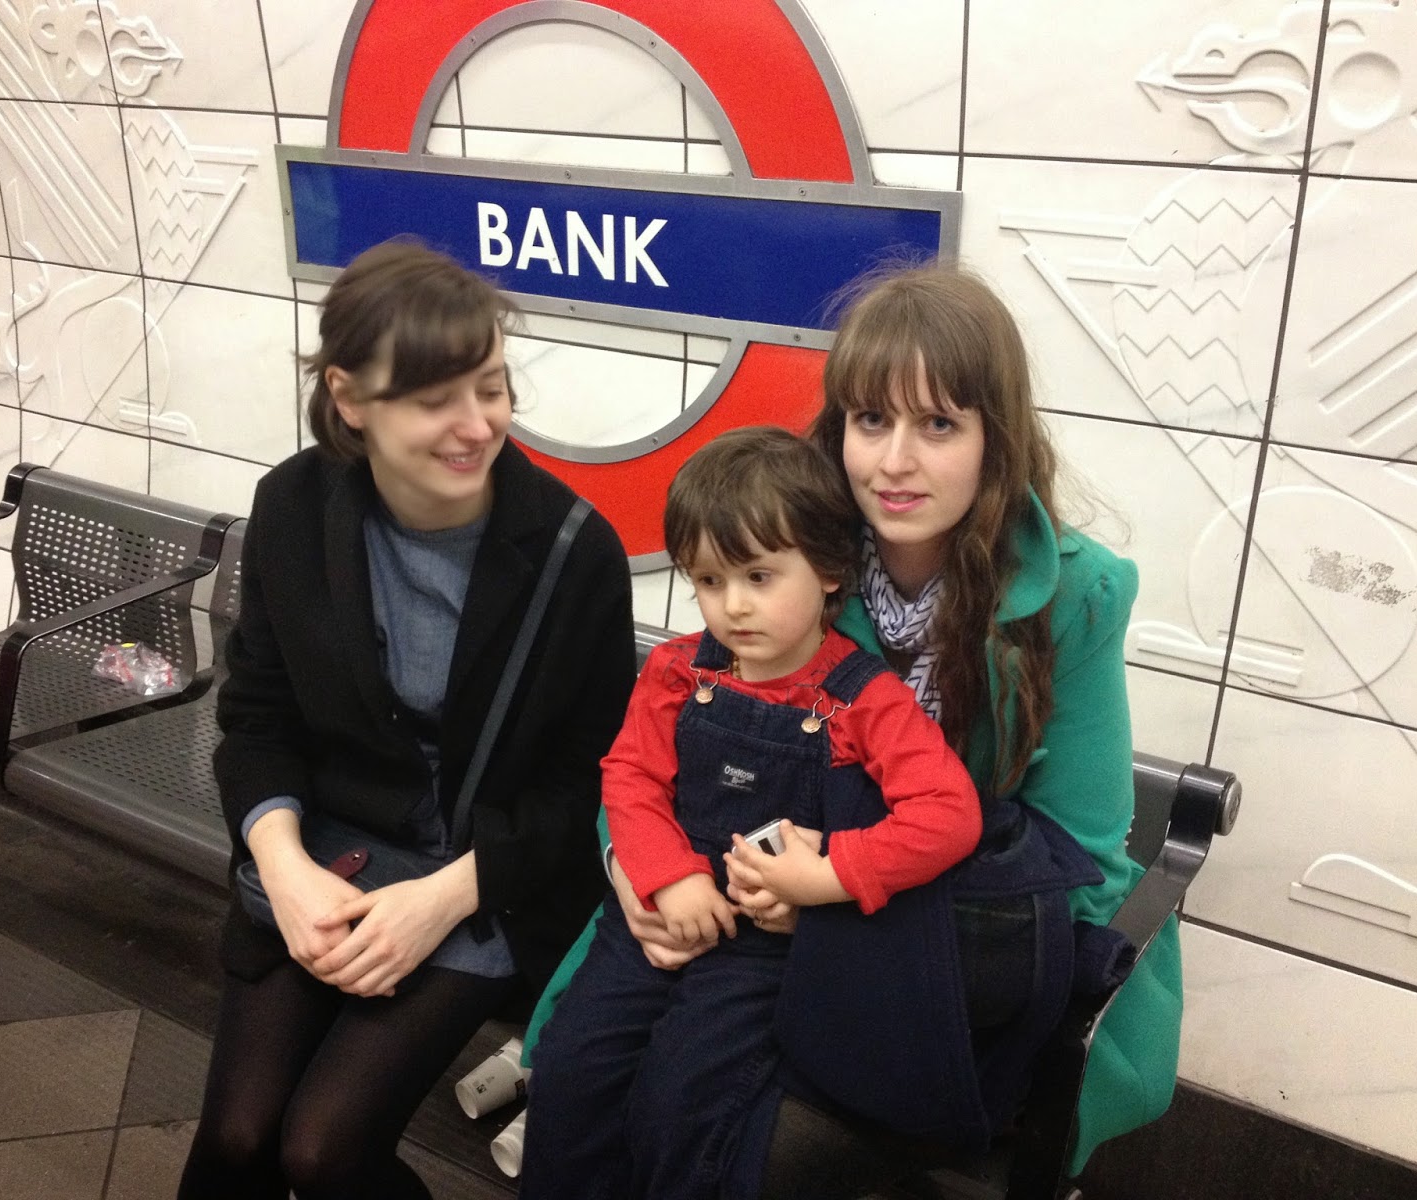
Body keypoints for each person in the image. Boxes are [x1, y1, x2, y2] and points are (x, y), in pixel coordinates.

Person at [523, 262, 1172, 1198]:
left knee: (716, 1136)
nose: (894, 462)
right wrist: (637, 871)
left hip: (916, 958)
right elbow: (666, 748)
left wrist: (833, 907)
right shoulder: (787, 542)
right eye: (872, 420)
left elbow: (1080, 856)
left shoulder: (1076, 593)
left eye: (938, 425)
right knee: (588, 1088)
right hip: (722, 922)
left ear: (996, 437)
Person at [176, 238, 635, 1200]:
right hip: (328, 852)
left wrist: (441, 899)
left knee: (321, 1151)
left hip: (481, 877)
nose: (477, 426)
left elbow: (586, 783)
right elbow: (257, 718)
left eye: (492, 388)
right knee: (238, 1139)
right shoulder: (295, 508)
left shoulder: (570, 551)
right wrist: (285, 870)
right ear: (349, 399)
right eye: (435, 400)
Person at [519, 426, 984, 1200]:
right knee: (570, 1071)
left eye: (760, 576)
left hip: (763, 953)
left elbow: (949, 813)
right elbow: (629, 777)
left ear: (830, 571)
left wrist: (829, 876)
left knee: (682, 1105)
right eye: (708, 580)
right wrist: (667, 878)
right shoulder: (676, 672)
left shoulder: (866, 699)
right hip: (655, 920)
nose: (732, 605)